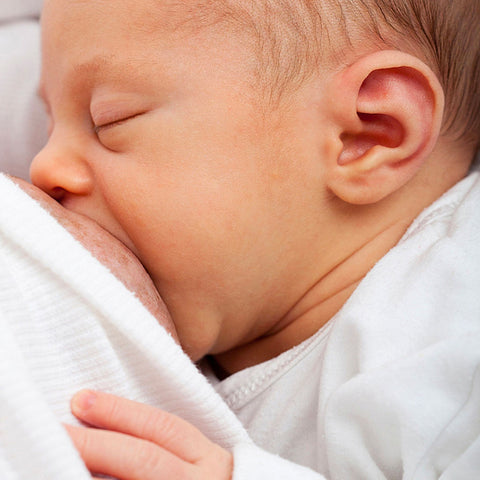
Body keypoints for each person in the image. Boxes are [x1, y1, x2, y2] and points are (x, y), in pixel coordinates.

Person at [31, 0, 480, 478]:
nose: (41, 168)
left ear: (366, 133)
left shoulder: (450, 330)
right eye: (50, 125)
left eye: (109, 120)